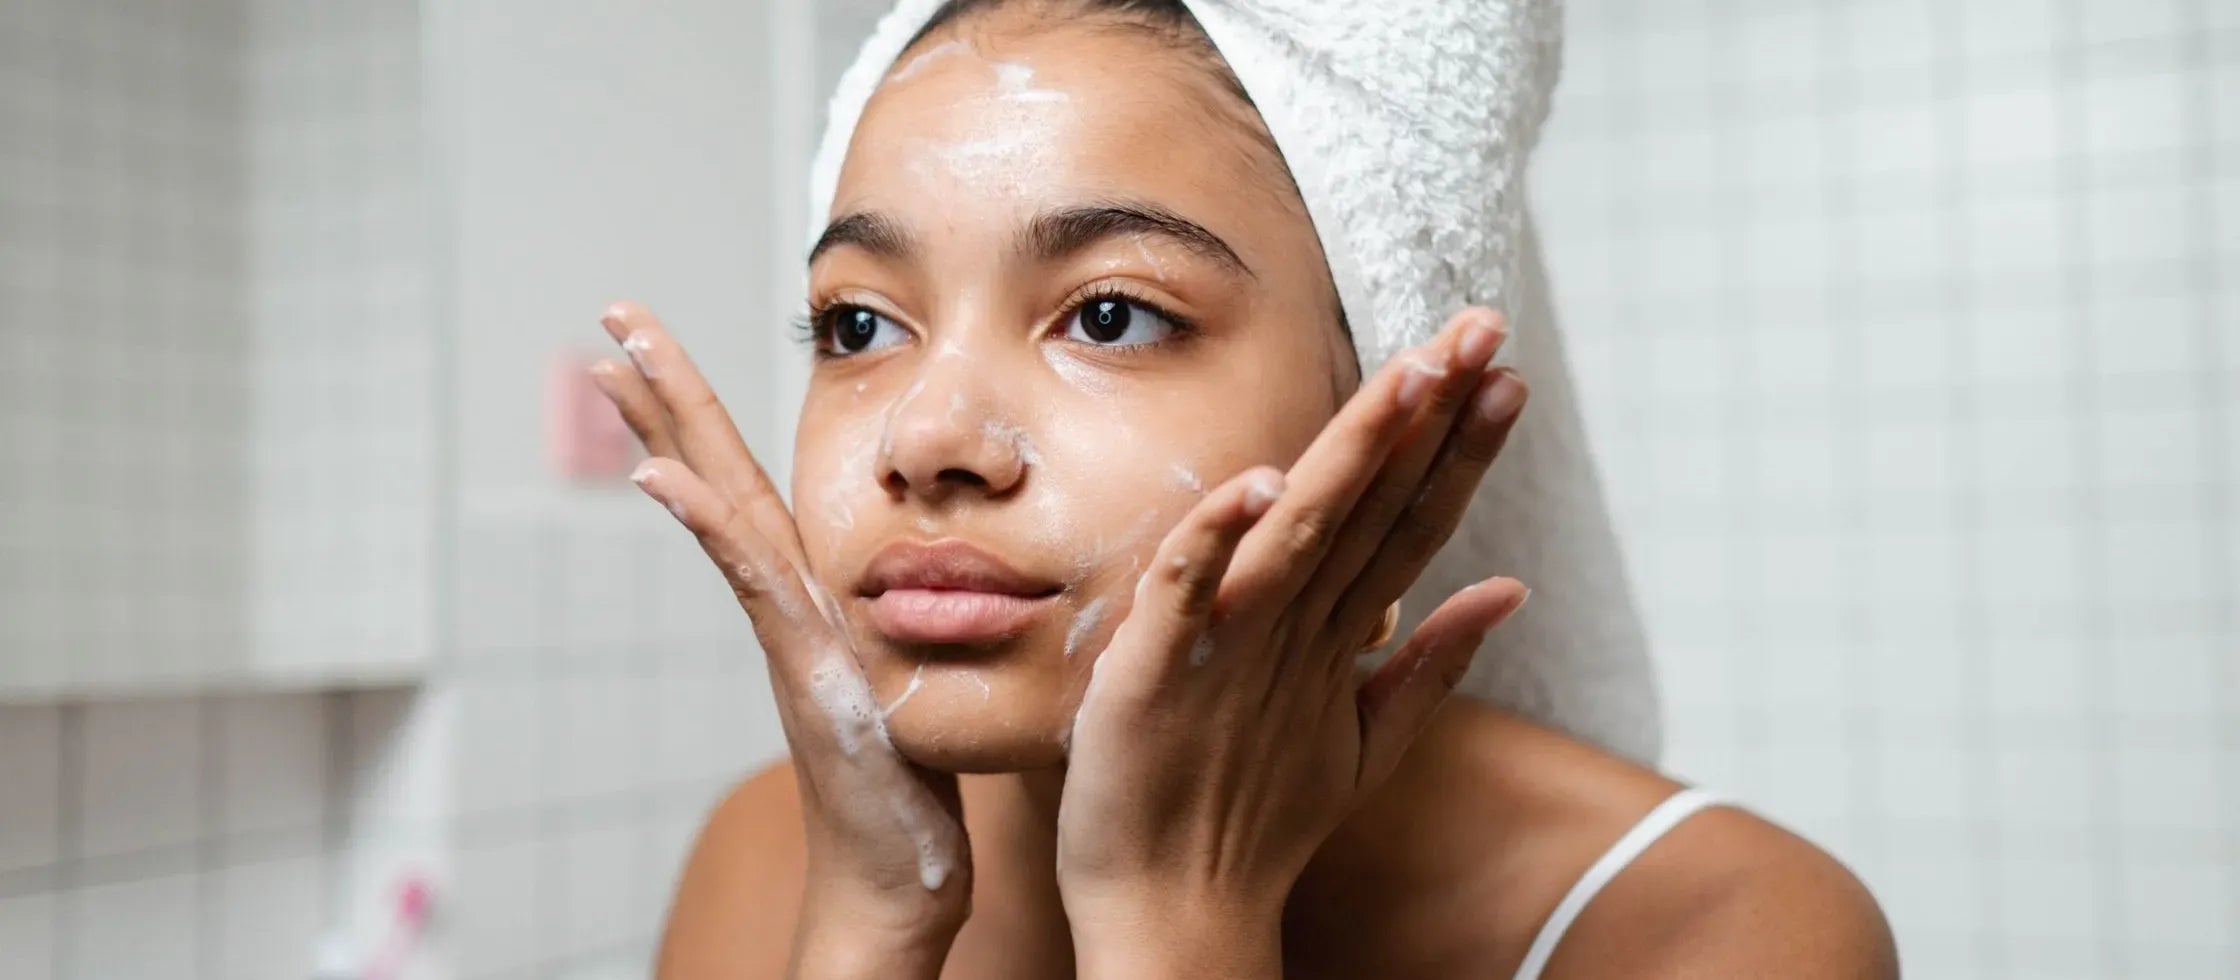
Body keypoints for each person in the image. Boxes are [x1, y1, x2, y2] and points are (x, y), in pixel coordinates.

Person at [588, 1, 1896, 976]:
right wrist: (871, 926)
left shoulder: (1712, 930)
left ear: (1391, 413)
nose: (927, 437)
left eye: (1108, 314)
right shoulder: (773, 871)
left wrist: (1177, 919)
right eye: (859, 326)